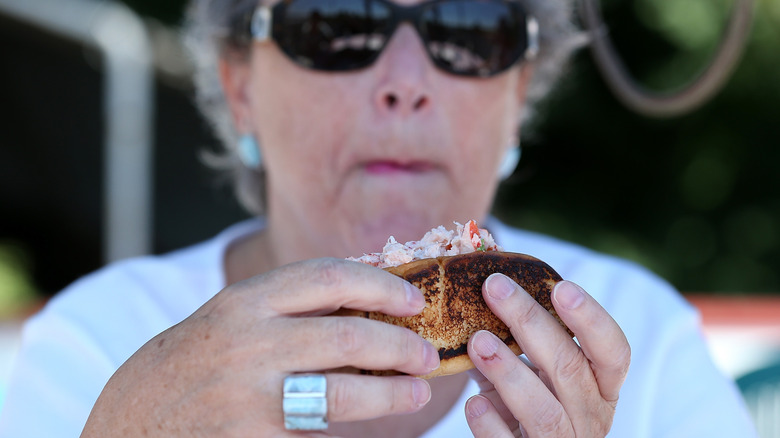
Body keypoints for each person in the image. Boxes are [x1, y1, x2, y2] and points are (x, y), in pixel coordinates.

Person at [0, 0, 756, 436]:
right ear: (239, 87)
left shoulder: (645, 347)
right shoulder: (99, 345)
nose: (404, 83)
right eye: (336, 23)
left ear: (520, 96)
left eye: (467, 28)